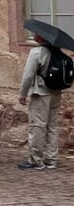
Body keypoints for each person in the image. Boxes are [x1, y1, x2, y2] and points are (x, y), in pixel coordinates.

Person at [18, 34, 62, 170]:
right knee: (52, 126)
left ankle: (36, 160)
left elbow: (28, 75)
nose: (34, 35)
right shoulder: (57, 51)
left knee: (37, 126)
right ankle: (51, 159)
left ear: (41, 38)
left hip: (41, 92)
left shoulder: (37, 52)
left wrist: (23, 93)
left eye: (36, 34)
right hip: (55, 92)